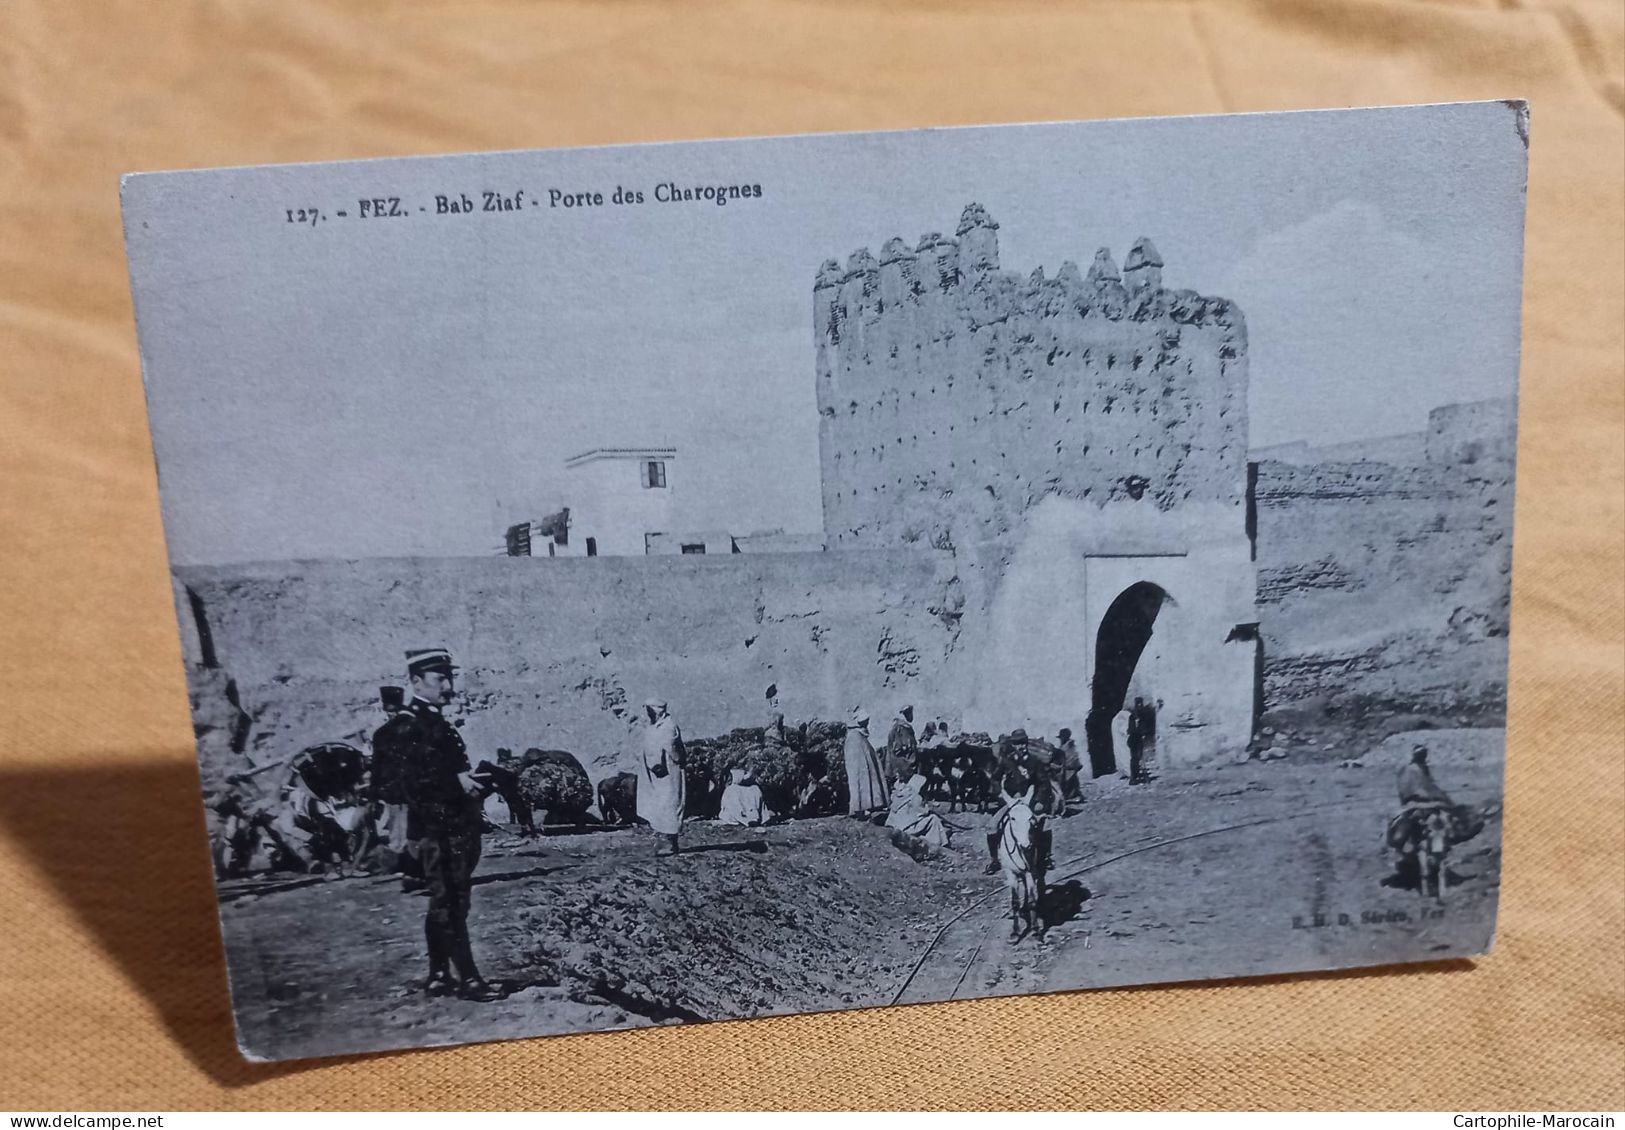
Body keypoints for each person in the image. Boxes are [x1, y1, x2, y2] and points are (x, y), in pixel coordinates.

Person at [387, 648, 499, 1001]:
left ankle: (438, 974)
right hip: (438, 830)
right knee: (450, 901)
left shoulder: (435, 721)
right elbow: (409, 786)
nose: (448, 686)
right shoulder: (408, 726)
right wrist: (460, 785)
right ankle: (469, 979)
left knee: (447, 902)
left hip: (454, 826)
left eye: (449, 678)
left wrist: (469, 782)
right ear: (416, 681)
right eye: (440, 679)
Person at [370, 685, 422, 890]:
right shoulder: (417, 726)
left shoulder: (381, 734)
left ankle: (407, 870)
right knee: (412, 830)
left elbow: (376, 767)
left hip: (395, 791)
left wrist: (374, 793)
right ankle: (413, 869)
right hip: (414, 789)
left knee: (399, 831)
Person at [637, 698, 686, 856]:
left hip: (668, 773)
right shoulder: (654, 727)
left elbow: (674, 750)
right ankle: (662, 840)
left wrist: (659, 762)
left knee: (670, 804)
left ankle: (671, 842)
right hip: (655, 775)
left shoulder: (668, 727)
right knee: (658, 804)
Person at [842, 709, 890, 816]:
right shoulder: (855, 737)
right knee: (861, 782)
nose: (867, 724)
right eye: (865, 722)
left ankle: (869, 805)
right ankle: (861, 807)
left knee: (865, 782)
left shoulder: (858, 736)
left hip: (862, 768)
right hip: (859, 768)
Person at [886, 772, 949, 848]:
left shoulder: (903, 794)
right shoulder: (916, 797)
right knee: (934, 819)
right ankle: (936, 843)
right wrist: (927, 810)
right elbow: (921, 813)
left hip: (893, 825)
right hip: (907, 829)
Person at [884, 705, 919, 786]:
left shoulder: (900, 727)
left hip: (901, 766)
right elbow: (898, 748)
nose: (912, 716)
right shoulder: (902, 728)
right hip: (902, 767)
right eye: (910, 714)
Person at [1126, 697, 1153, 784]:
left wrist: (1143, 733)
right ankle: (1133, 778)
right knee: (1135, 758)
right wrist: (1139, 731)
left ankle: (1136, 776)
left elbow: (1143, 726)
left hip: (1138, 739)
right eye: (1138, 704)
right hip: (1134, 739)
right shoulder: (1132, 716)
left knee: (1139, 758)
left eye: (1140, 704)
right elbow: (1131, 729)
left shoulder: (1142, 715)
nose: (1140, 706)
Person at [1057, 728, 1084, 808]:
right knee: (1070, 783)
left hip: (1070, 768)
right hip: (1068, 767)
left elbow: (1071, 757)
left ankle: (1073, 796)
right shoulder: (1065, 745)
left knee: (1070, 782)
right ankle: (1073, 796)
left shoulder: (1068, 746)